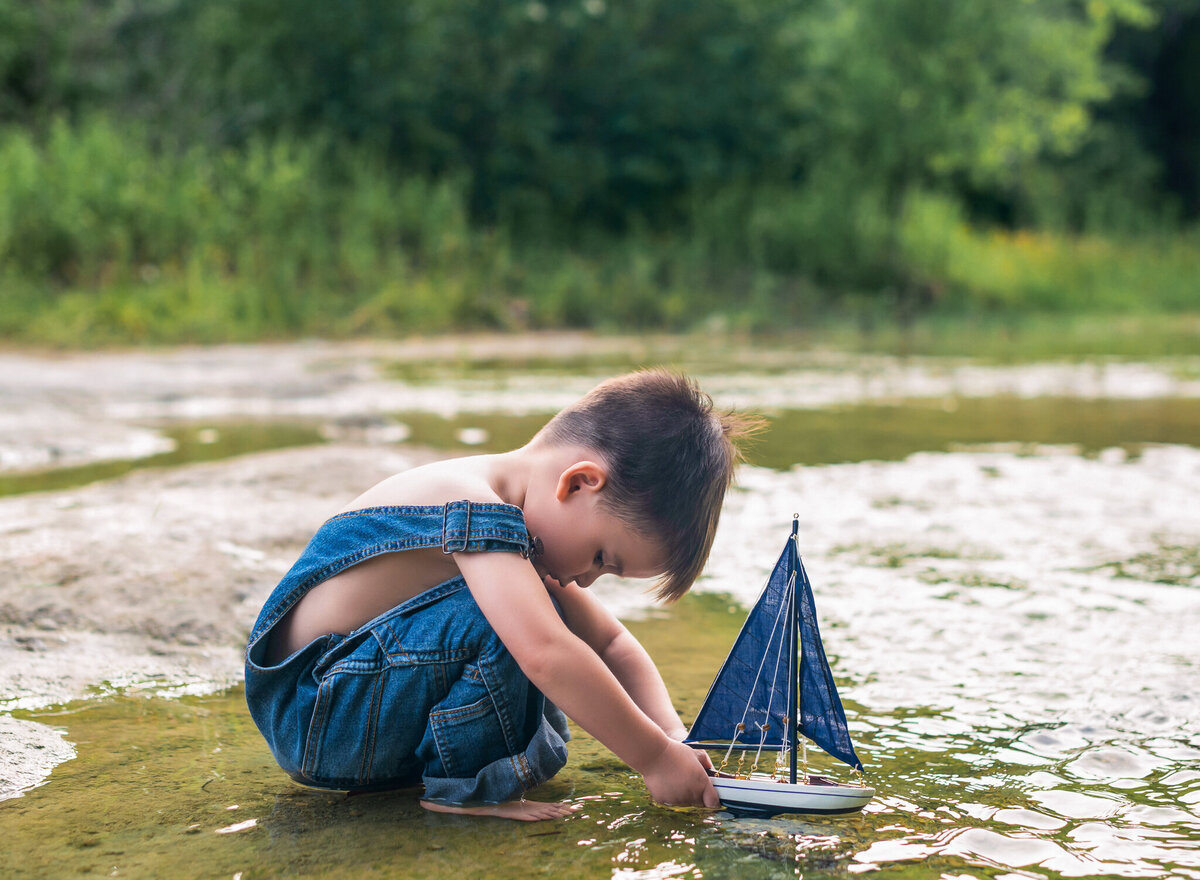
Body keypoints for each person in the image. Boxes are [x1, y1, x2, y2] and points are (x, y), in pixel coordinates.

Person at [244, 369, 759, 821]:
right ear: (578, 483)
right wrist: (652, 759)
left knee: (542, 617)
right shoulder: (471, 502)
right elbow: (546, 653)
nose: (585, 579)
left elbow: (610, 644)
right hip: (316, 711)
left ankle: (435, 774)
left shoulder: (508, 532)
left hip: (356, 700)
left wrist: (672, 736)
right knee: (525, 629)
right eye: (602, 557)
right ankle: (465, 794)